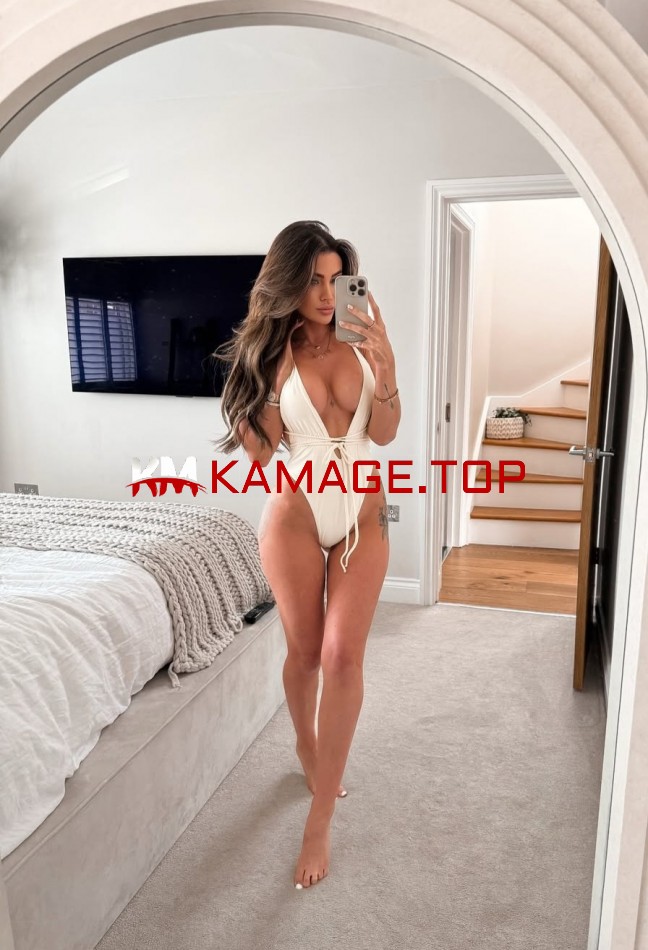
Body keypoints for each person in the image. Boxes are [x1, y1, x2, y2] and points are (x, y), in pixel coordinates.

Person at [215, 220, 401, 889]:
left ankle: (319, 819)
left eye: (336, 279)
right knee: (304, 653)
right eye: (314, 280)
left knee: (342, 655)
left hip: (363, 514)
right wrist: (266, 379)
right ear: (289, 284)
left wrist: (387, 370)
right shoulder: (274, 351)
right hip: (295, 513)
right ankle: (305, 742)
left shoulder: (363, 337)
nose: (326, 294)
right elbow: (263, 455)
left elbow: (385, 433)